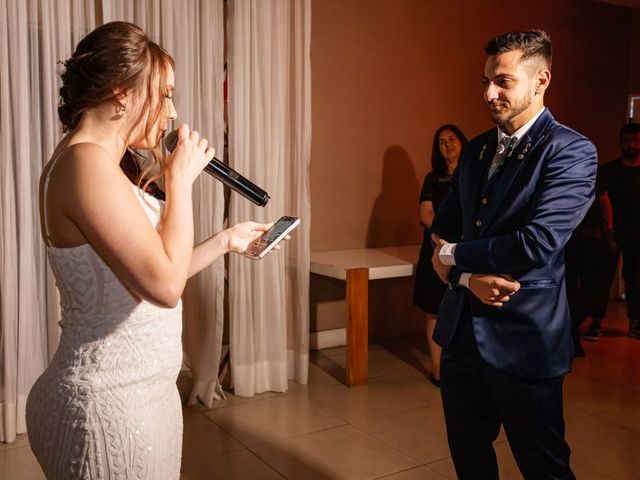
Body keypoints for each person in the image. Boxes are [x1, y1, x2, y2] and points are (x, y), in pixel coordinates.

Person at [25, 22, 274, 479]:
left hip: (141, 395)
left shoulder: (101, 163)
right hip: (105, 404)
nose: (173, 112)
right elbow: (164, 287)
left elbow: (151, 273)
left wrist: (224, 241)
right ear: (122, 93)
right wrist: (178, 183)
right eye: (165, 95)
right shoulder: (84, 164)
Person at [430, 30, 596, 479]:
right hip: (461, 336)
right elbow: (442, 227)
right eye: (486, 80)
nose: (489, 93)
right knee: (469, 457)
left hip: (526, 338)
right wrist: (463, 277)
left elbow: (538, 241)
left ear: (541, 80)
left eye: (503, 81)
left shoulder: (571, 150)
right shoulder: (476, 150)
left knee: (543, 465)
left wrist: (451, 257)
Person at [412, 124, 467, 386]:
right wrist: (448, 236)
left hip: (467, 250)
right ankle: (438, 370)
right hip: (436, 249)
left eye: (452, 139)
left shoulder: (476, 174)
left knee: (466, 309)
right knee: (434, 310)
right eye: (441, 142)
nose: (447, 145)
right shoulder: (433, 179)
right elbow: (425, 215)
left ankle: (464, 369)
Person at [598, 122, 640, 340]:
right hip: (612, 233)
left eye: (635, 140)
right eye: (627, 140)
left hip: (637, 235)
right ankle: (596, 320)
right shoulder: (609, 171)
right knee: (602, 277)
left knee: (636, 279)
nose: (631, 145)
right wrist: (607, 230)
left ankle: (635, 322)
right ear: (621, 142)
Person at [565, 178, 618, 349]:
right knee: (572, 286)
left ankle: (582, 325)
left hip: (590, 240)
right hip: (573, 240)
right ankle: (570, 330)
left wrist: (607, 231)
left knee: (591, 287)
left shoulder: (595, 180)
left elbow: (604, 204)